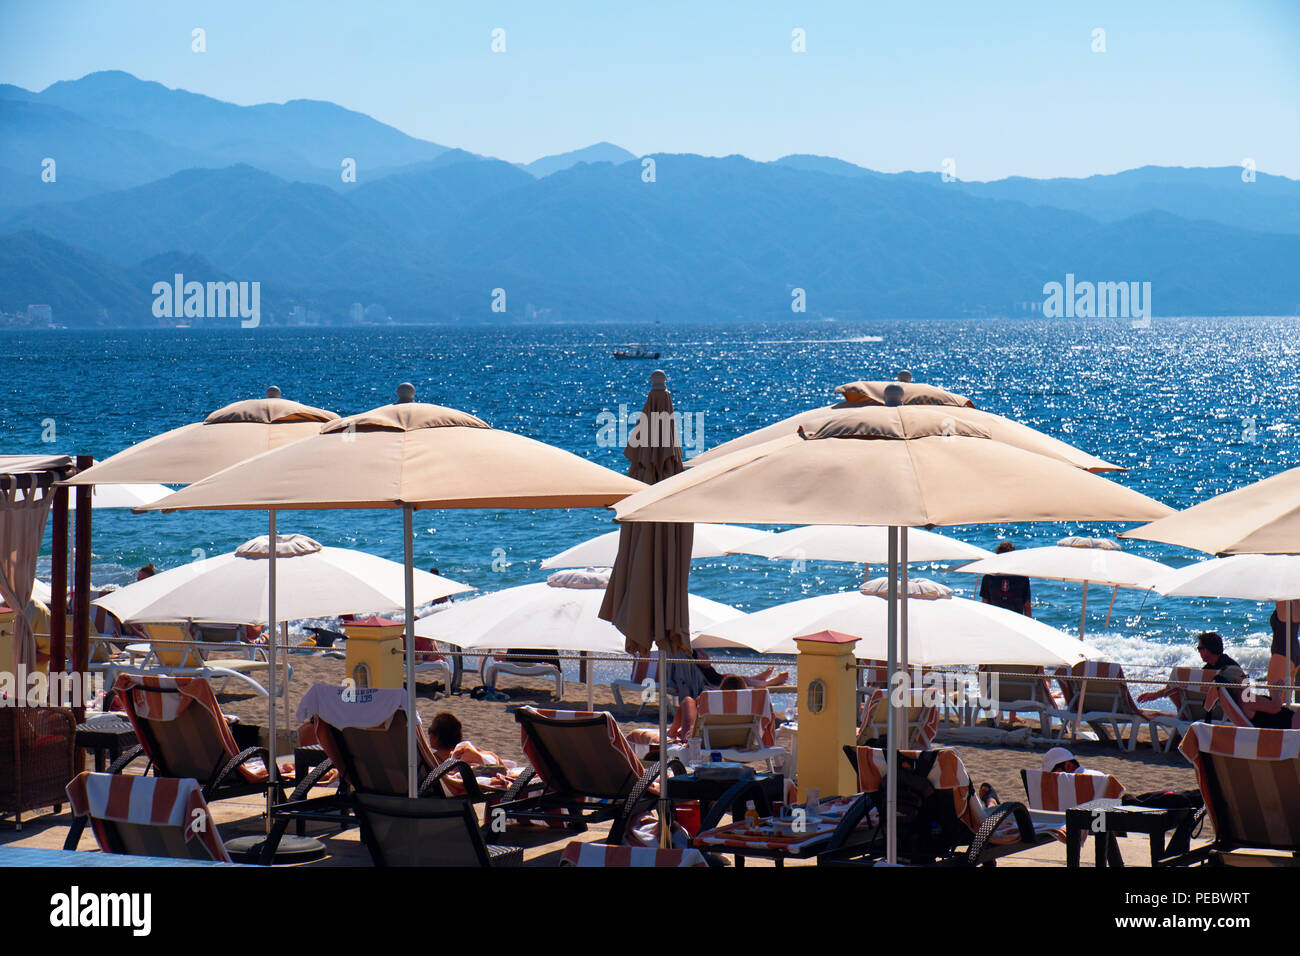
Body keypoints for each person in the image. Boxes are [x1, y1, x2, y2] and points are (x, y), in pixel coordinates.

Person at [1136, 631, 1245, 719]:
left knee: (1180, 688)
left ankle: (1182, 715)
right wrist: (1154, 695)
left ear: (1206, 651)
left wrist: (1154, 695)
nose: (1199, 652)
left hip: (1207, 715)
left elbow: (1177, 686)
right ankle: (1182, 716)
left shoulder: (1210, 672)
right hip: (1227, 716)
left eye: (1199, 649)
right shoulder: (1233, 668)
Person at [979, 542, 1032, 617]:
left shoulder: (989, 577)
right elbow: (1027, 606)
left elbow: (984, 604)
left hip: (995, 620)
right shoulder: (1022, 578)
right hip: (1016, 621)